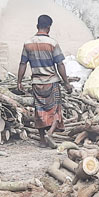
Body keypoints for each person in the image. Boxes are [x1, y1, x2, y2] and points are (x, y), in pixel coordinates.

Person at [17, 14, 72, 148]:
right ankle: (50, 133)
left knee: (39, 111)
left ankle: (42, 140)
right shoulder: (52, 43)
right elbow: (60, 64)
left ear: (37, 26)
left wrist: (18, 81)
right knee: (56, 109)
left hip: (36, 83)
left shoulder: (27, 43)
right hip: (51, 82)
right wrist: (66, 83)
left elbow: (23, 63)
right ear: (49, 28)